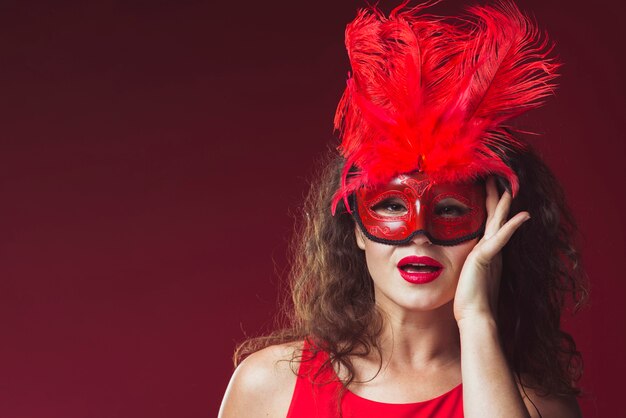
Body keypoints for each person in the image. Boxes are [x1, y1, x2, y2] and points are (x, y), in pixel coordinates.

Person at [219, 1, 587, 417]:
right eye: (391, 204)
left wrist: (477, 318)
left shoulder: (535, 403)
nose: (420, 235)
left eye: (450, 210)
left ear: (493, 225)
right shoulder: (269, 386)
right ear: (356, 227)